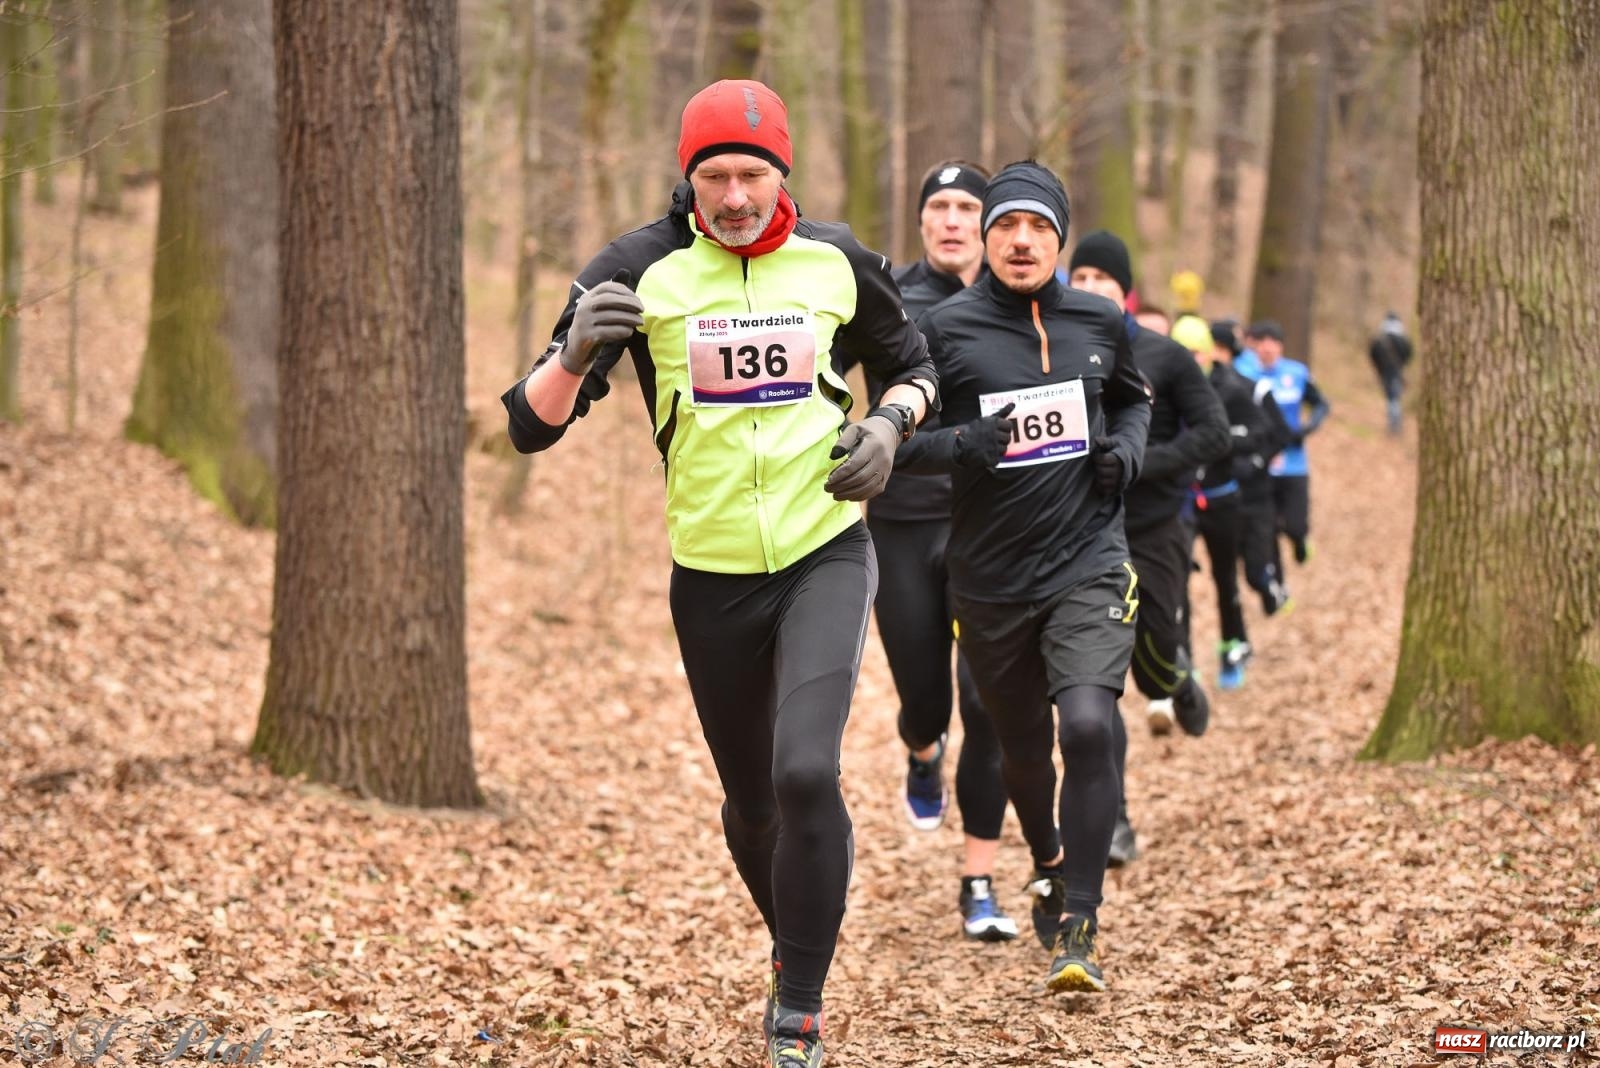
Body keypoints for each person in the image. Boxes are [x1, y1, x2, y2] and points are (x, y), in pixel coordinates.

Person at [501, 80, 937, 1068]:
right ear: (686, 177)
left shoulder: (834, 262)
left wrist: (886, 427)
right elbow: (529, 425)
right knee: (751, 805)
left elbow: (917, 367)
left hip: (825, 547)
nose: (733, 196)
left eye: (751, 174)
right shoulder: (637, 269)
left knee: (805, 770)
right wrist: (571, 355)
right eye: (713, 176)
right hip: (709, 577)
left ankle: (802, 1011)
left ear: (781, 171)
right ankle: (792, 951)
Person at [899, 162, 1153, 993]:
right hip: (991, 578)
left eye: (1038, 228)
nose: (1019, 241)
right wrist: (963, 443)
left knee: (1085, 724)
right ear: (987, 237)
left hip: (1087, 559)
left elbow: (1133, 401)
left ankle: (1079, 920)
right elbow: (902, 437)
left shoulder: (1100, 320)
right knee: (1020, 752)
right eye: (1005, 225)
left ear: (1059, 238)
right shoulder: (948, 328)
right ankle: (1045, 855)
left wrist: (1124, 448)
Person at [832, 160, 1017, 942]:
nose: (950, 219)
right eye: (937, 206)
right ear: (920, 221)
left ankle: (978, 880)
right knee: (927, 701)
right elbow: (821, 379)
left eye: (965, 206)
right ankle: (919, 748)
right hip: (904, 522)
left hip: (993, 528)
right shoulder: (884, 294)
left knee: (989, 705)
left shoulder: (1017, 302)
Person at [1065, 232, 1228, 868]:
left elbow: (1213, 434)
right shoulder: (1050, 353)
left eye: (1106, 280)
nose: (1093, 288)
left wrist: (1141, 463)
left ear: (1124, 291)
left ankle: (1176, 679)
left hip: (1153, 528)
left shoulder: (1163, 355)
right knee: (1095, 684)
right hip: (1079, 535)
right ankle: (1115, 821)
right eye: (1082, 276)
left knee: (1154, 654)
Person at [1177, 318, 1292, 690]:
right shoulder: (1167, 385)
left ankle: (1233, 647)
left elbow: (1261, 432)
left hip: (1223, 498)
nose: (1191, 360)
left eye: (1197, 352)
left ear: (1210, 352)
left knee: (1225, 579)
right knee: (1175, 586)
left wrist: (1222, 443)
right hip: (1180, 504)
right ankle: (1183, 662)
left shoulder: (1232, 388)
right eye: (1184, 352)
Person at [1238, 320, 1329, 570]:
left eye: (1273, 343)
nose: (1267, 349)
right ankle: (1276, 576)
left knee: (1295, 524)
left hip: (1294, 464)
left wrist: (1307, 428)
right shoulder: (1243, 375)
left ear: (1281, 347)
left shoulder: (1297, 373)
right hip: (1263, 462)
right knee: (1268, 527)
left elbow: (1321, 404)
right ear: (1254, 346)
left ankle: (1299, 540)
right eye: (1262, 343)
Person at [1369, 311, 1413, 435]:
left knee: (1391, 398)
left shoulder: (1380, 338)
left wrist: (1379, 368)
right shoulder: (1403, 339)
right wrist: (1402, 366)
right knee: (1394, 397)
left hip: (1385, 372)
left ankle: (1393, 425)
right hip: (1397, 371)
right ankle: (1395, 425)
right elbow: (1409, 354)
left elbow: (1373, 354)